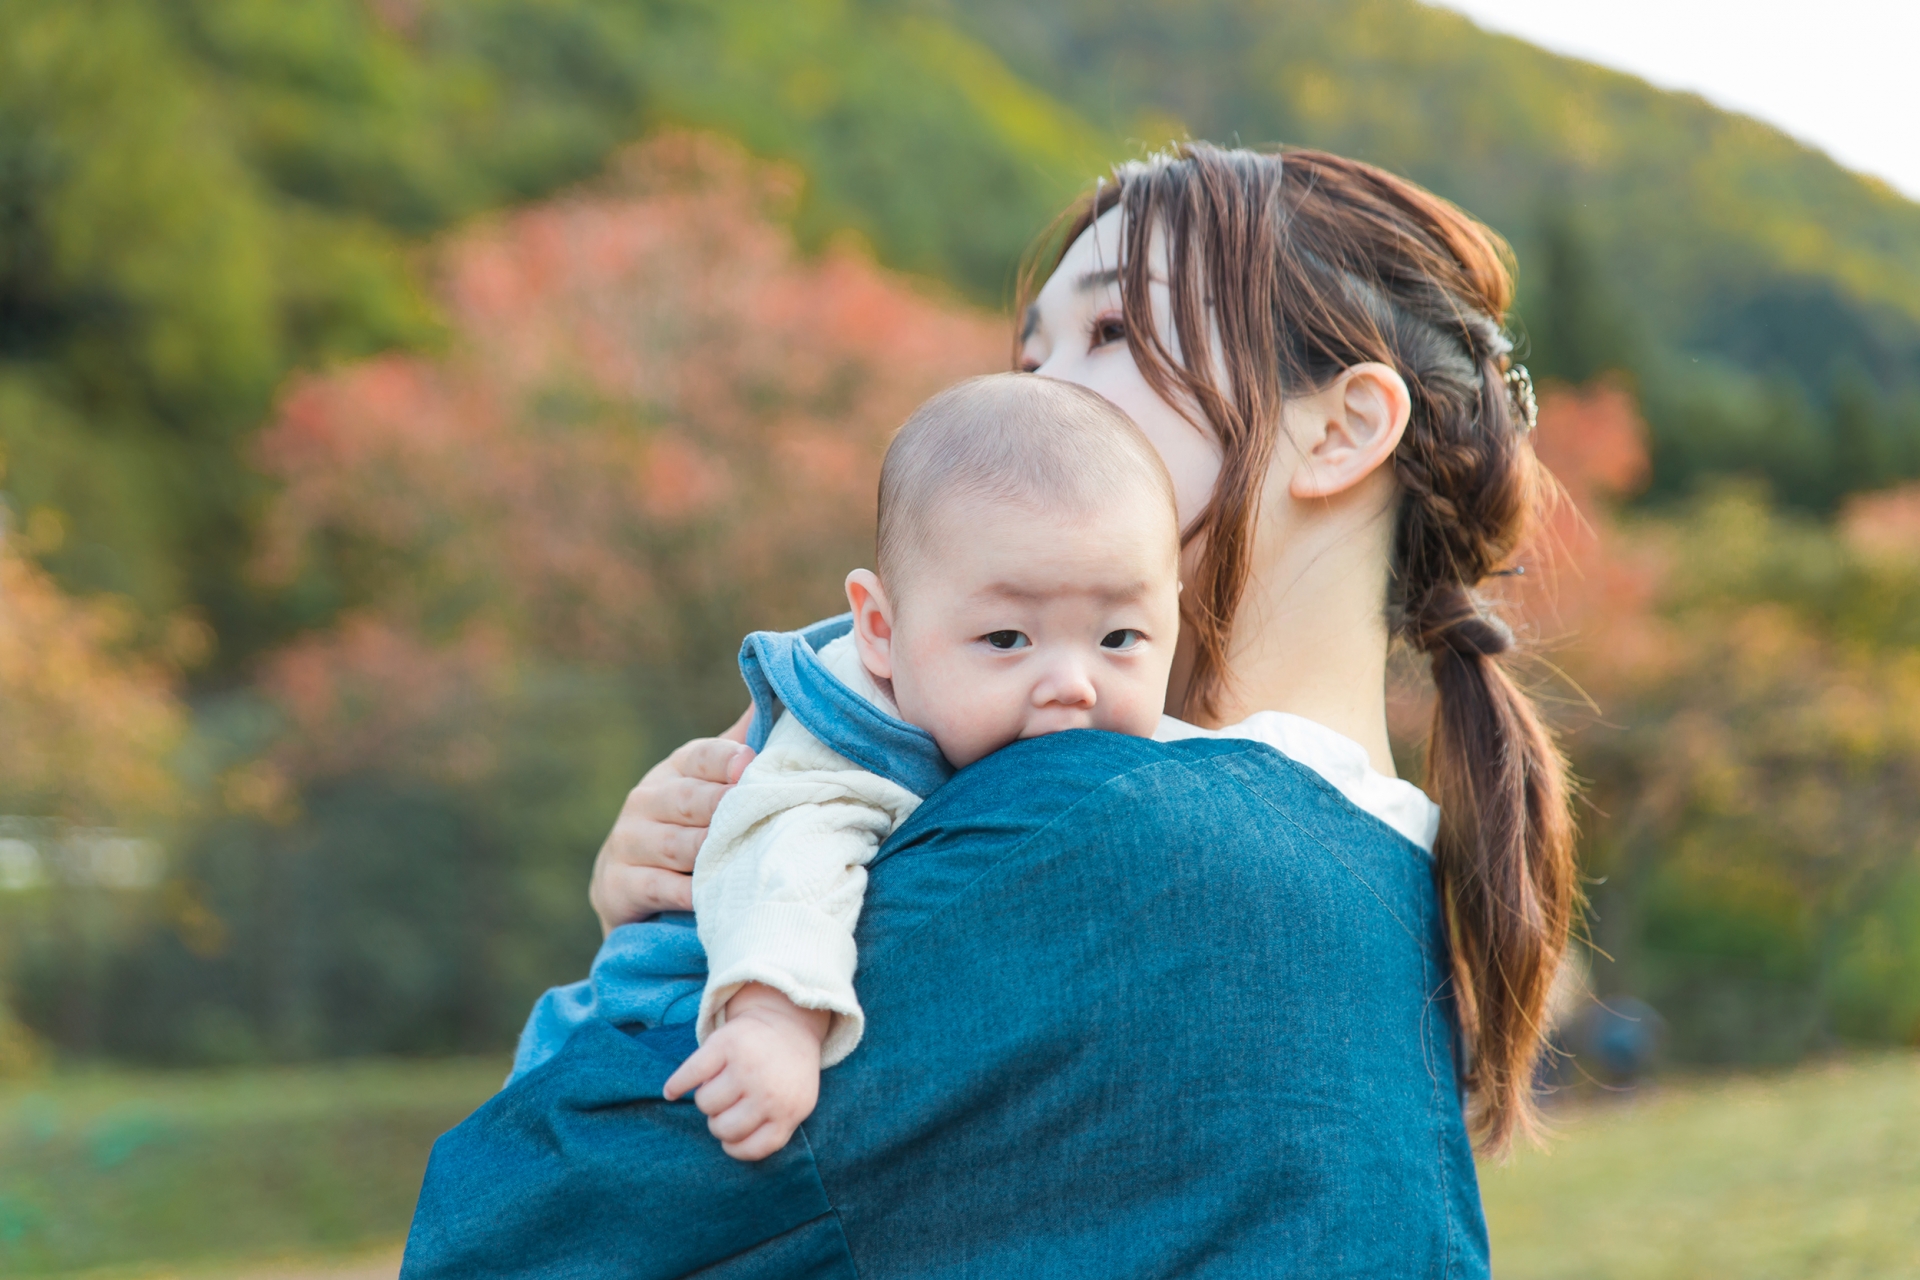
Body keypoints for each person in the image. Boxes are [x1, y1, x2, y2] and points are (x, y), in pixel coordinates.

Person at [403, 143, 1576, 1278]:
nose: (1037, 400)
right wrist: (688, 895)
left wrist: (648, 959)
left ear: (1344, 427)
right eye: (1028, 360)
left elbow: (512, 1222)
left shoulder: (1091, 819)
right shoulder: (1394, 879)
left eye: (1112, 331)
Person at [507, 374, 1184, 1162]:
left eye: (1119, 638)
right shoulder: (852, 737)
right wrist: (776, 1020)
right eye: (1006, 639)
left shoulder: (1050, 724)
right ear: (879, 628)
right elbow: (786, 865)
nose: (1075, 683)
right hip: (667, 1018)